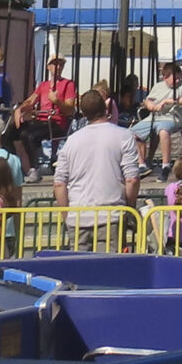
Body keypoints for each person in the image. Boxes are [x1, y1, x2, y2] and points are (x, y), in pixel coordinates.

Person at [54, 89, 142, 249]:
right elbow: (132, 179)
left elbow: (59, 183)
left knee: (78, 272)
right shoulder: (123, 136)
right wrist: (129, 208)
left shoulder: (71, 141)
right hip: (111, 215)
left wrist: (67, 215)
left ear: (83, 113)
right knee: (110, 271)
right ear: (105, 108)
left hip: (78, 216)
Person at [20, 56, 76, 173]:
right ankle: (23, 165)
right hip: (42, 121)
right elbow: (31, 101)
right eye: (55, 64)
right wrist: (20, 109)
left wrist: (56, 101)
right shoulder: (43, 85)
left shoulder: (68, 84)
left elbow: (70, 109)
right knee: (20, 133)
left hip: (57, 122)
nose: (58, 67)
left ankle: (34, 168)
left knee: (31, 136)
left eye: (61, 64)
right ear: (48, 67)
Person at [138, 64, 182, 169]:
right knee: (133, 134)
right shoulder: (158, 86)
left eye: (180, 78)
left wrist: (167, 101)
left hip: (172, 117)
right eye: (175, 79)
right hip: (154, 117)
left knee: (163, 131)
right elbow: (148, 100)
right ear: (165, 78)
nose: (178, 81)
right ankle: (142, 164)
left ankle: (165, 165)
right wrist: (150, 105)